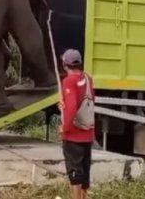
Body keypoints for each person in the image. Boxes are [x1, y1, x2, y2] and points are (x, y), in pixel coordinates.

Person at [59, 49, 95, 199]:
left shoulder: (69, 81)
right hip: (88, 134)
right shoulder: (88, 78)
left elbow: (73, 107)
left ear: (64, 65)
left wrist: (64, 128)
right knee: (84, 172)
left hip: (74, 136)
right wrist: (64, 105)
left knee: (75, 174)